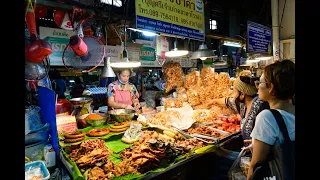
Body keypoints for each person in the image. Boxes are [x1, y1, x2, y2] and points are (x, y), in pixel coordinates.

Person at [246, 60, 295, 180]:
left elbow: (255, 165)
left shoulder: (267, 117)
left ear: (271, 88)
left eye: (260, 82)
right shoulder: (292, 110)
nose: (257, 86)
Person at [208, 75, 270, 147]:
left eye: (234, 92)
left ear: (242, 94)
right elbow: (227, 101)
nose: (233, 95)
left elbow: (264, 138)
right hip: (248, 149)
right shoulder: (243, 104)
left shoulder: (260, 106)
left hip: (257, 152)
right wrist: (213, 101)